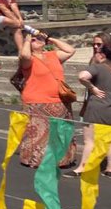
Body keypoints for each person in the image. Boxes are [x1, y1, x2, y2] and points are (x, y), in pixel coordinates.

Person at [15, 28, 78, 169]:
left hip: (60, 100)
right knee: (38, 135)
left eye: (38, 39)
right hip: (37, 101)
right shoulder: (29, 60)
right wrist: (27, 38)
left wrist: (50, 39)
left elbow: (70, 50)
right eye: (34, 40)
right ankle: (35, 160)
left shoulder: (52, 55)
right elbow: (24, 55)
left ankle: (62, 160)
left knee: (60, 132)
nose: (37, 40)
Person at [71, 32, 111, 178]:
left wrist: (92, 88)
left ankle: (82, 168)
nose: (95, 47)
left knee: (89, 140)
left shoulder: (98, 67)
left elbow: (82, 76)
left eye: (98, 45)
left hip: (97, 108)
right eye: (94, 44)